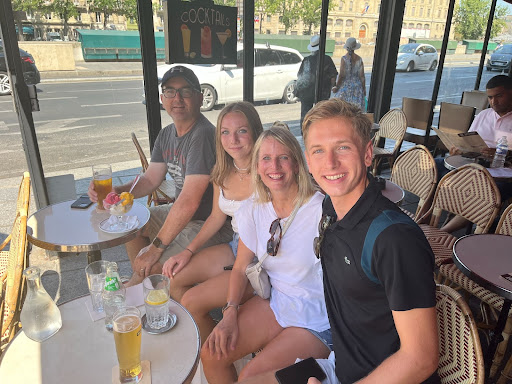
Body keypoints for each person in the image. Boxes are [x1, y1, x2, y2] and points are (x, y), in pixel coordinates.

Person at [239, 99, 439, 384]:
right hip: (341, 364)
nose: (330, 163)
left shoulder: (394, 239)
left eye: (343, 148)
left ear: (368, 153)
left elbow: (420, 358)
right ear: (308, 161)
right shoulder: (330, 210)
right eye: (319, 151)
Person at [201, 127, 331, 383]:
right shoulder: (253, 209)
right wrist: (230, 313)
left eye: (283, 157)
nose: (275, 166)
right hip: (277, 301)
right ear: (257, 166)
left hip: (317, 316)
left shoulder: (322, 210)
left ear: (296, 163)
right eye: (266, 158)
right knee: (211, 354)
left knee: (251, 376)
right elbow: (239, 268)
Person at [88, 65, 232, 286]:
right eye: (170, 91)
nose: (177, 98)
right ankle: (142, 283)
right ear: (162, 98)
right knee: (132, 226)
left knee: (154, 265)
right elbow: (150, 180)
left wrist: (155, 249)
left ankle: (140, 286)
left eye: (186, 91)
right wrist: (117, 191)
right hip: (184, 216)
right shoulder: (167, 134)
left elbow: (189, 200)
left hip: (209, 224)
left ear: (200, 97)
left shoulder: (203, 135)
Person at [161, 101, 263, 343]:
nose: (233, 139)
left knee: (191, 300)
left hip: (260, 258)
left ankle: (214, 352)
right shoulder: (222, 170)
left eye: (242, 131)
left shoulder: (268, 168)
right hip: (237, 245)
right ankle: (207, 337)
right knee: (174, 279)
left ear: (255, 131)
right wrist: (187, 251)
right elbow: (217, 217)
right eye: (225, 132)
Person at [435, 74, 512, 232]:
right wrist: (458, 148)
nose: (493, 102)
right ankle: (427, 218)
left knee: (481, 192)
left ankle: (443, 232)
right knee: (433, 168)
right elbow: (469, 139)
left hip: (503, 174)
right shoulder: (484, 115)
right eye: (490, 97)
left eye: (499, 96)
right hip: (474, 165)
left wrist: (503, 154)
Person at [295, 35, 338, 129]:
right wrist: (333, 86)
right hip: (322, 92)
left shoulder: (307, 60)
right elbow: (333, 75)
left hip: (306, 92)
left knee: (306, 115)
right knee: (321, 114)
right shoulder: (326, 59)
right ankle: (319, 131)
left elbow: (300, 76)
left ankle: (306, 132)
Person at [332, 37, 366, 111]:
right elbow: (362, 76)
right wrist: (364, 89)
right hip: (357, 87)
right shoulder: (359, 59)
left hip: (345, 87)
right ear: (355, 47)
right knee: (356, 111)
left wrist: (337, 87)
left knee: (341, 109)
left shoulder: (344, 59)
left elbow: (342, 75)